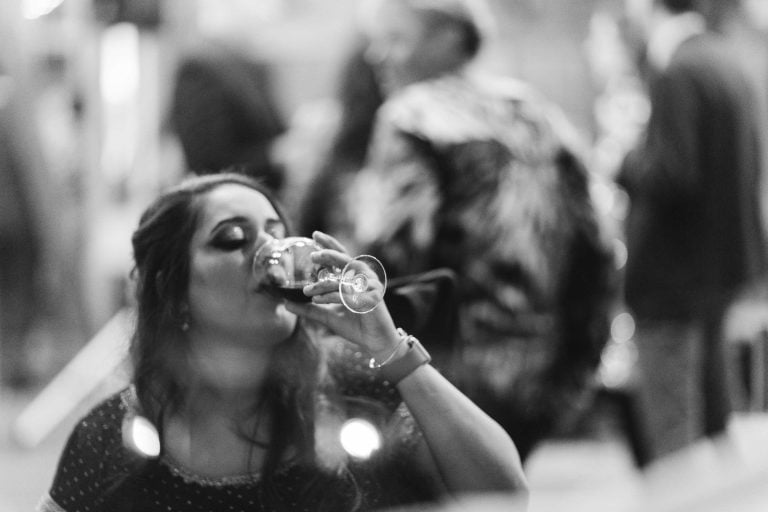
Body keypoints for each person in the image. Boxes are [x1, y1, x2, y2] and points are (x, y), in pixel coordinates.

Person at [37, 173, 528, 512]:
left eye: (277, 234)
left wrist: (390, 347)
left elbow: (504, 495)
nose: (271, 255)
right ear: (173, 289)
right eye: (232, 239)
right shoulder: (113, 435)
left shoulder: (355, 386)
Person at [343, 0, 616, 462]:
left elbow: (390, 257)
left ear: (449, 39)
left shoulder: (412, 115)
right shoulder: (531, 109)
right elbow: (597, 245)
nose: (377, 55)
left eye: (394, 38)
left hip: (449, 369)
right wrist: (580, 360)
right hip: (543, 368)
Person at [617, 0, 768, 461]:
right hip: (716, 273)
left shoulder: (678, 70)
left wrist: (623, 159)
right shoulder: (725, 62)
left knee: (674, 440)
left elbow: (672, 173)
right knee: (715, 426)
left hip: (673, 280)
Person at [168, 41, 287, 194]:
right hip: (230, 198)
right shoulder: (200, 69)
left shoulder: (254, 68)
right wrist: (274, 156)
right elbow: (208, 164)